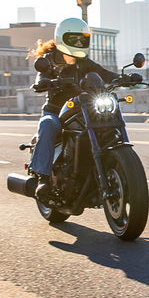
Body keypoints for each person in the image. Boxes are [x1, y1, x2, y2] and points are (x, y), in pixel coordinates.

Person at [28, 17, 118, 200]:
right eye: (74, 39)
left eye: (81, 39)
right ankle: (43, 178)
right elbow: (40, 77)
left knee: (107, 120)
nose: (78, 43)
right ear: (62, 38)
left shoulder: (83, 61)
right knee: (47, 125)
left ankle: (114, 165)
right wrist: (42, 82)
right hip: (56, 111)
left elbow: (104, 74)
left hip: (83, 109)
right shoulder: (49, 60)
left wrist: (125, 77)